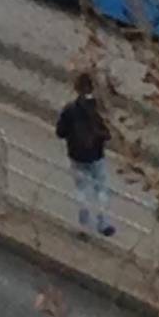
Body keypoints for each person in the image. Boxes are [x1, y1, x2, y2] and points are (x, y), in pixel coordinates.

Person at [55, 71, 114, 236]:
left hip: (76, 156)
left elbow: (60, 132)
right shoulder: (100, 109)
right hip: (96, 155)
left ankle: (84, 227)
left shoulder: (70, 109)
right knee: (101, 189)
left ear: (76, 88)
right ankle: (104, 223)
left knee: (82, 190)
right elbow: (108, 133)